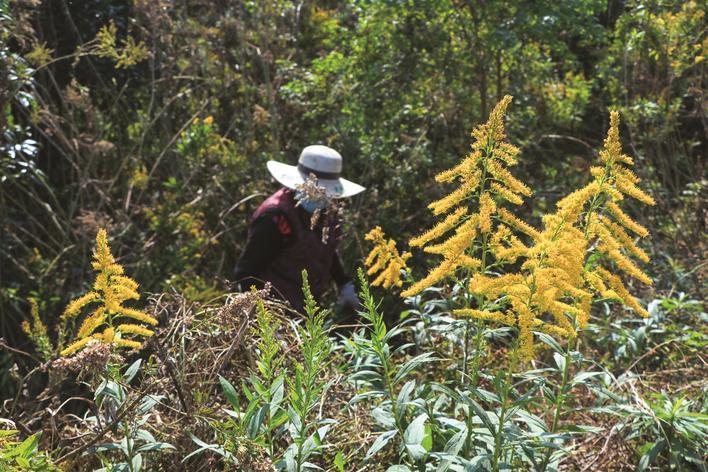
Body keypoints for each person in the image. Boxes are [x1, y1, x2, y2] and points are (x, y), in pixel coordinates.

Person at [234, 145, 365, 313]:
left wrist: (343, 283)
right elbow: (245, 273)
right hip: (274, 315)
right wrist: (260, 315)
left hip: (306, 314)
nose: (323, 196)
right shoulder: (274, 217)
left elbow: (325, 247)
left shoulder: (326, 210)